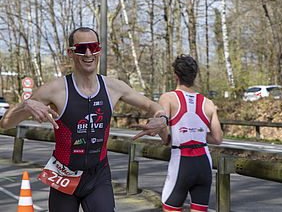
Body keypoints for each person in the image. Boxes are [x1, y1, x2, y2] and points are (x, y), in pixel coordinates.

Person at [0, 27, 168, 212]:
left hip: (98, 176)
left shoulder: (114, 87)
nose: (88, 53)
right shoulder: (55, 89)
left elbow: (153, 106)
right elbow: (6, 123)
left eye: (93, 47)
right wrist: (25, 105)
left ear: (99, 51)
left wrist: (162, 118)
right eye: (81, 48)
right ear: (70, 53)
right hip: (63, 176)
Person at [158, 55, 222, 212]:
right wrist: (197, 132)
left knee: (170, 207)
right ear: (195, 76)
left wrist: (166, 138)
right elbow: (218, 138)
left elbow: (162, 125)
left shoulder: (168, 98)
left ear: (176, 76)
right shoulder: (208, 103)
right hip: (203, 163)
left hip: (181, 162)